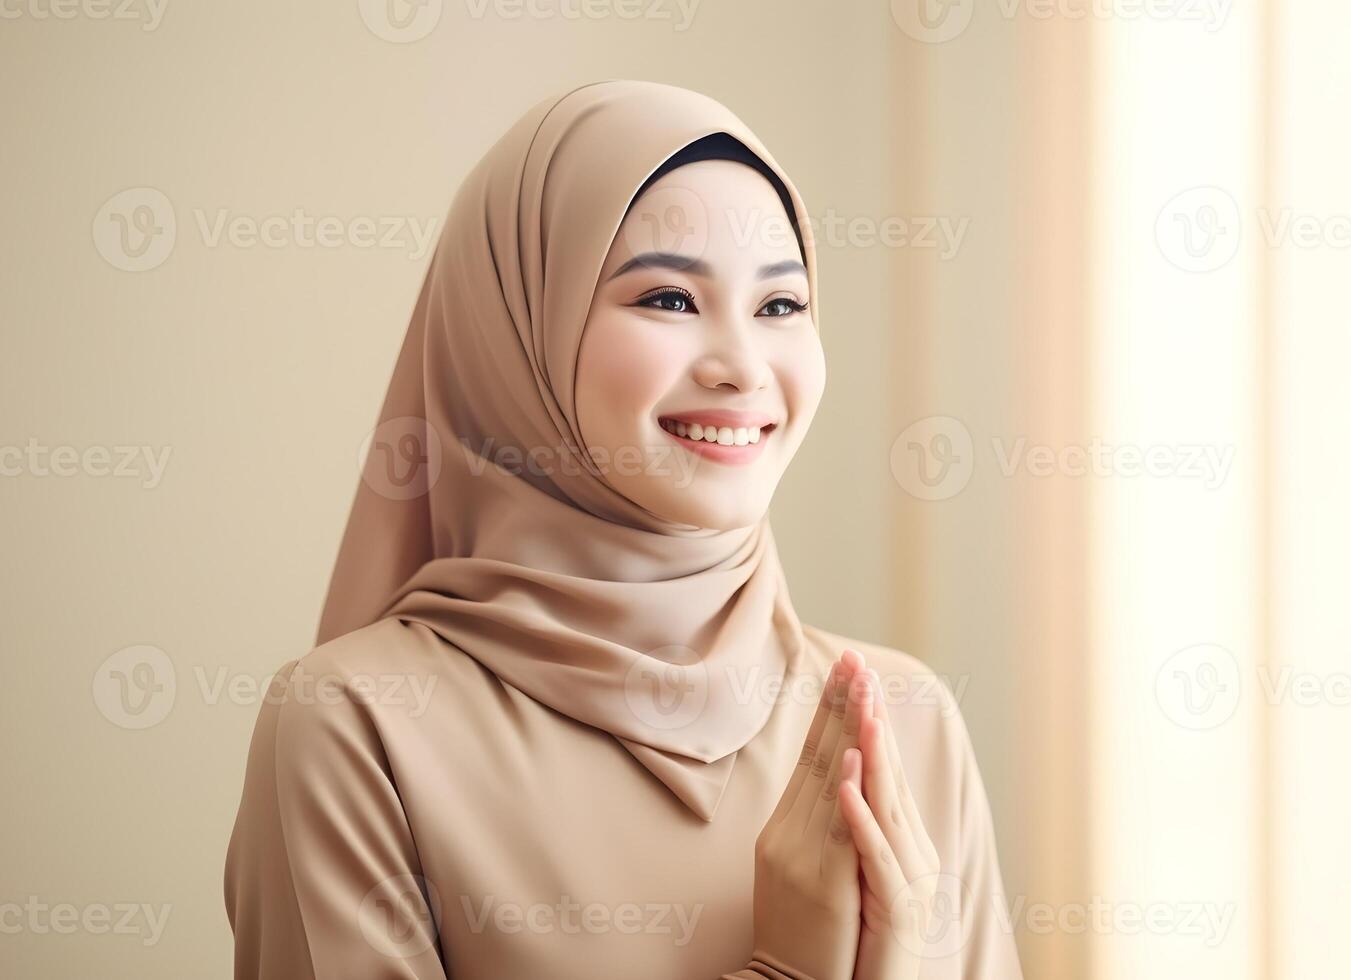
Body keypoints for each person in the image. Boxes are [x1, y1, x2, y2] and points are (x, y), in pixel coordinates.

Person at [223, 80, 1024, 980]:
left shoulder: (905, 720)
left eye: (780, 306)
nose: (740, 368)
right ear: (517, 333)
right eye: (670, 300)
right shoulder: (358, 726)